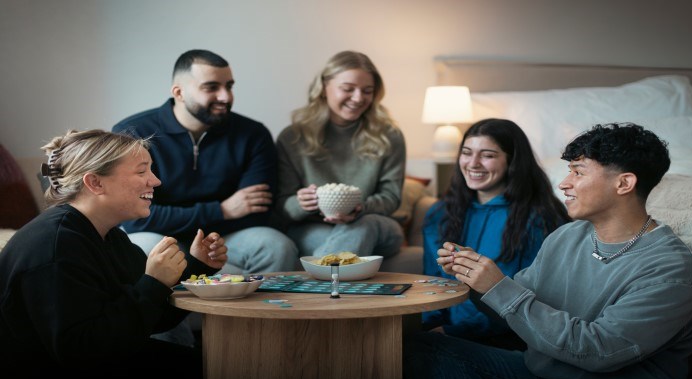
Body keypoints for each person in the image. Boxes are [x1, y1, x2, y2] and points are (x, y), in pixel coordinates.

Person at [404, 123, 692, 379]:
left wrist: (499, 286)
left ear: (624, 183)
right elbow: (513, 312)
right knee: (413, 348)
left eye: (578, 172)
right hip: (541, 373)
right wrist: (474, 279)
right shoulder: (568, 236)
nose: (564, 183)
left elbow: (600, 351)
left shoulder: (672, 267)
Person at [0, 129, 226, 379]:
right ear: (95, 183)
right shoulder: (57, 246)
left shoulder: (107, 235)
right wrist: (153, 283)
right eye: (142, 171)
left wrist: (196, 267)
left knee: (216, 367)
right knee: (214, 375)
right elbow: (82, 351)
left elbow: (148, 317)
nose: (155, 181)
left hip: (98, 360)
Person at [112, 49, 297, 275]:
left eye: (229, 86)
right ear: (179, 92)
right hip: (164, 238)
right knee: (142, 246)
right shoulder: (134, 132)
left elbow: (256, 212)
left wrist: (178, 219)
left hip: (223, 238)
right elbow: (134, 218)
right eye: (211, 87)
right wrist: (222, 210)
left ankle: (262, 312)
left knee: (276, 246)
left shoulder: (253, 134)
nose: (225, 97)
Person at [422, 118, 571, 344]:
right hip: (443, 333)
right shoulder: (439, 213)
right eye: (466, 152)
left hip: (508, 336)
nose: (473, 163)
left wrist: (456, 333)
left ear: (511, 161)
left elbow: (537, 300)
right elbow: (431, 283)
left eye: (488, 155)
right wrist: (426, 328)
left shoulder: (541, 217)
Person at [275, 50, 406, 258]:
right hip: (314, 226)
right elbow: (282, 204)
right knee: (332, 242)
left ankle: (321, 281)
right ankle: (334, 281)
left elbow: (391, 197)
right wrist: (300, 203)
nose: (358, 98)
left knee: (365, 226)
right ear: (324, 88)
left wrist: (359, 208)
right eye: (348, 89)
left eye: (367, 91)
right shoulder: (293, 137)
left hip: (373, 222)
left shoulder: (389, 136)